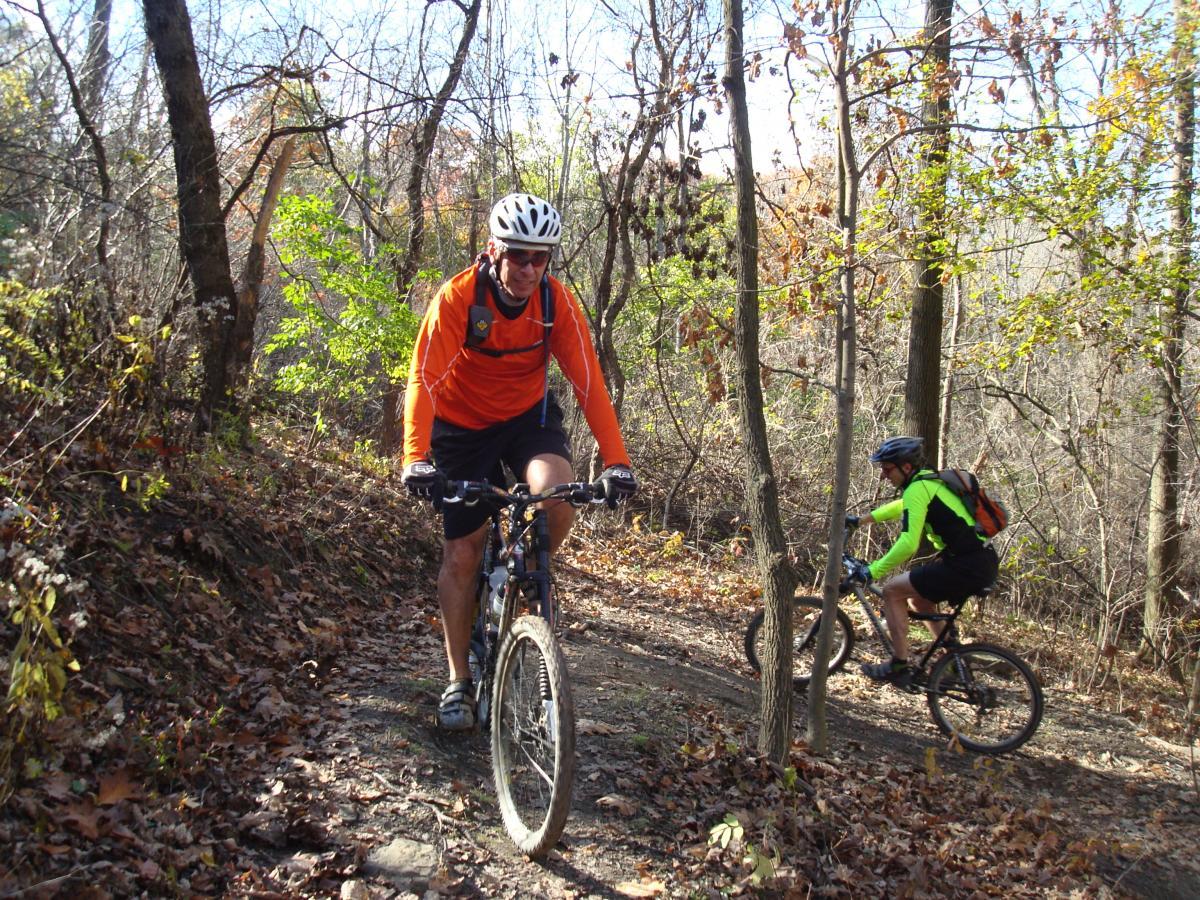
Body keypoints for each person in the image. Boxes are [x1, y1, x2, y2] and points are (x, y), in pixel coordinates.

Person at [400, 192, 637, 730]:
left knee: (558, 496)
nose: (530, 268)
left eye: (541, 257)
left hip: (527, 419)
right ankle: (459, 678)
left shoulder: (556, 304)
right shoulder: (459, 299)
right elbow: (423, 379)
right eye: (519, 255)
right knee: (462, 553)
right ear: (494, 251)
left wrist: (617, 462)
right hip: (461, 429)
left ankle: (525, 583)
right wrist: (415, 457)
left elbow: (588, 384)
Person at [846, 436, 999, 684]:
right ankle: (955, 662)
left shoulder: (919, 488)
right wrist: (862, 520)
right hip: (978, 561)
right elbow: (902, 505)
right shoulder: (926, 483)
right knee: (919, 602)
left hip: (967, 565)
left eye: (887, 469)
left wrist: (872, 571)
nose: (884, 476)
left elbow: (909, 543)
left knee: (892, 591)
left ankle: (899, 665)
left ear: (906, 467)